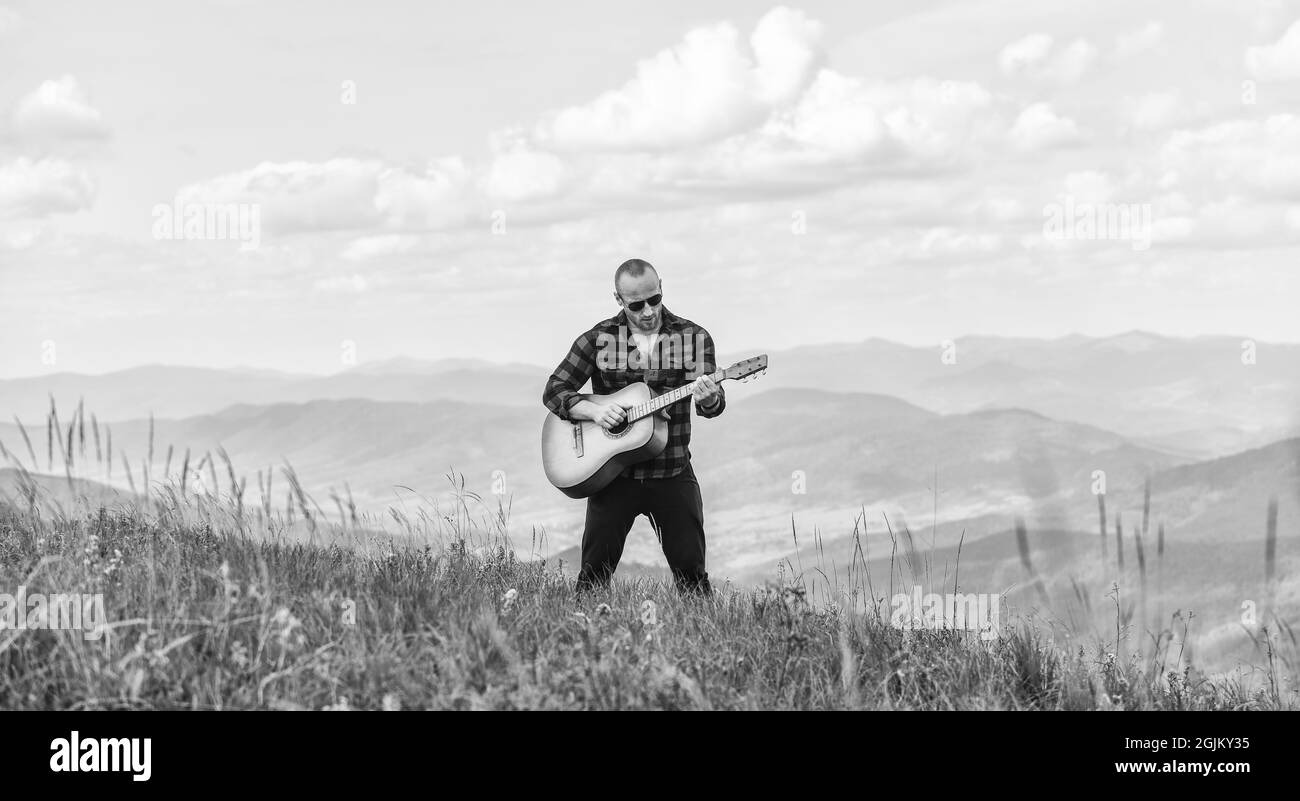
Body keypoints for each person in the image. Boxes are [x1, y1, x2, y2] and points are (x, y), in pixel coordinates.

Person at [542, 258, 725, 596]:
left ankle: (702, 643)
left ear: (661, 288)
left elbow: (712, 408)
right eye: (636, 304)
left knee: (693, 579)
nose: (647, 311)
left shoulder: (693, 337)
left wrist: (709, 398)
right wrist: (594, 413)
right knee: (593, 579)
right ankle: (582, 639)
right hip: (612, 477)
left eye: (653, 299)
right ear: (619, 299)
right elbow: (555, 390)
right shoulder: (597, 339)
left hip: (671, 471)